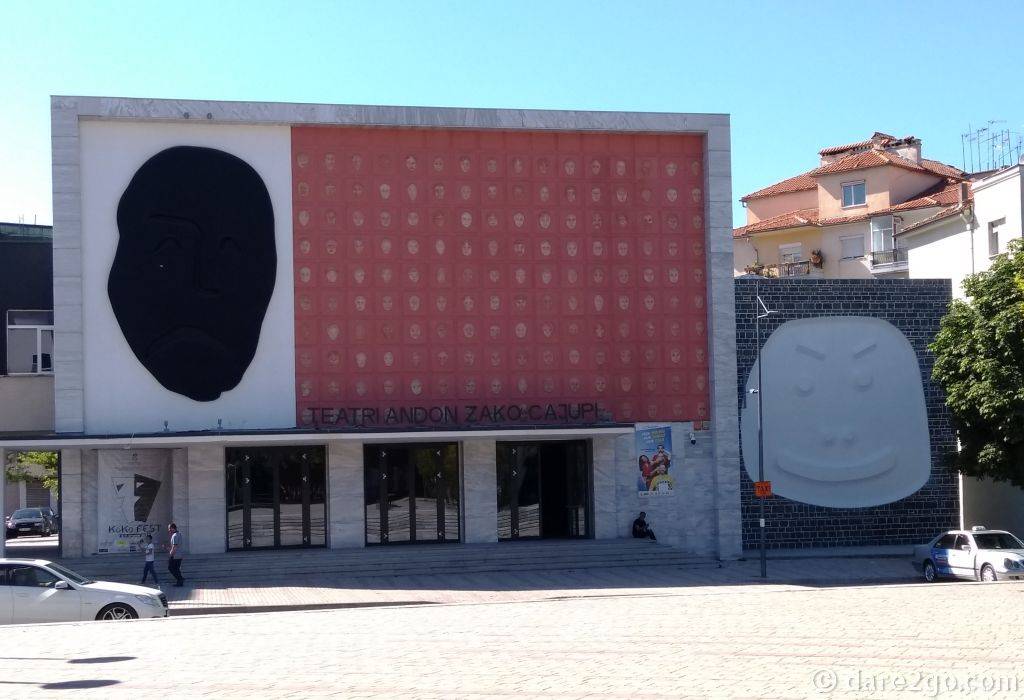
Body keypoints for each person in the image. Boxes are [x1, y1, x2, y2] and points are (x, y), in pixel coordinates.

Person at [166, 523, 185, 587]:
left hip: (175, 556)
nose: (169, 530)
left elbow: (175, 546)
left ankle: (180, 579)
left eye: (169, 528)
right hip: (179, 555)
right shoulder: (179, 534)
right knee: (176, 569)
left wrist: (171, 554)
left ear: (172, 528)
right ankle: (180, 581)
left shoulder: (175, 536)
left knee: (170, 568)